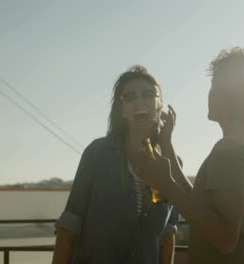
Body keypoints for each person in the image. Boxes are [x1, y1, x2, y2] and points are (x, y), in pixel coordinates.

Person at [131, 47, 244, 264]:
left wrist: (165, 185)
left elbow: (225, 239)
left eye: (215, 87)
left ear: (232, 97)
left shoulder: (230, 151)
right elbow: (204, 207)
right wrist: (166, 145)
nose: (209, 94)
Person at [52, 65, 179, 264]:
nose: (139, 101)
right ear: (121, 110)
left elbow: (168, 235)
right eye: (129, 97)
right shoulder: (98, 153)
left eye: (148, 94)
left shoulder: (172, 163)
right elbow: (69, 225)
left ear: (160, 104)